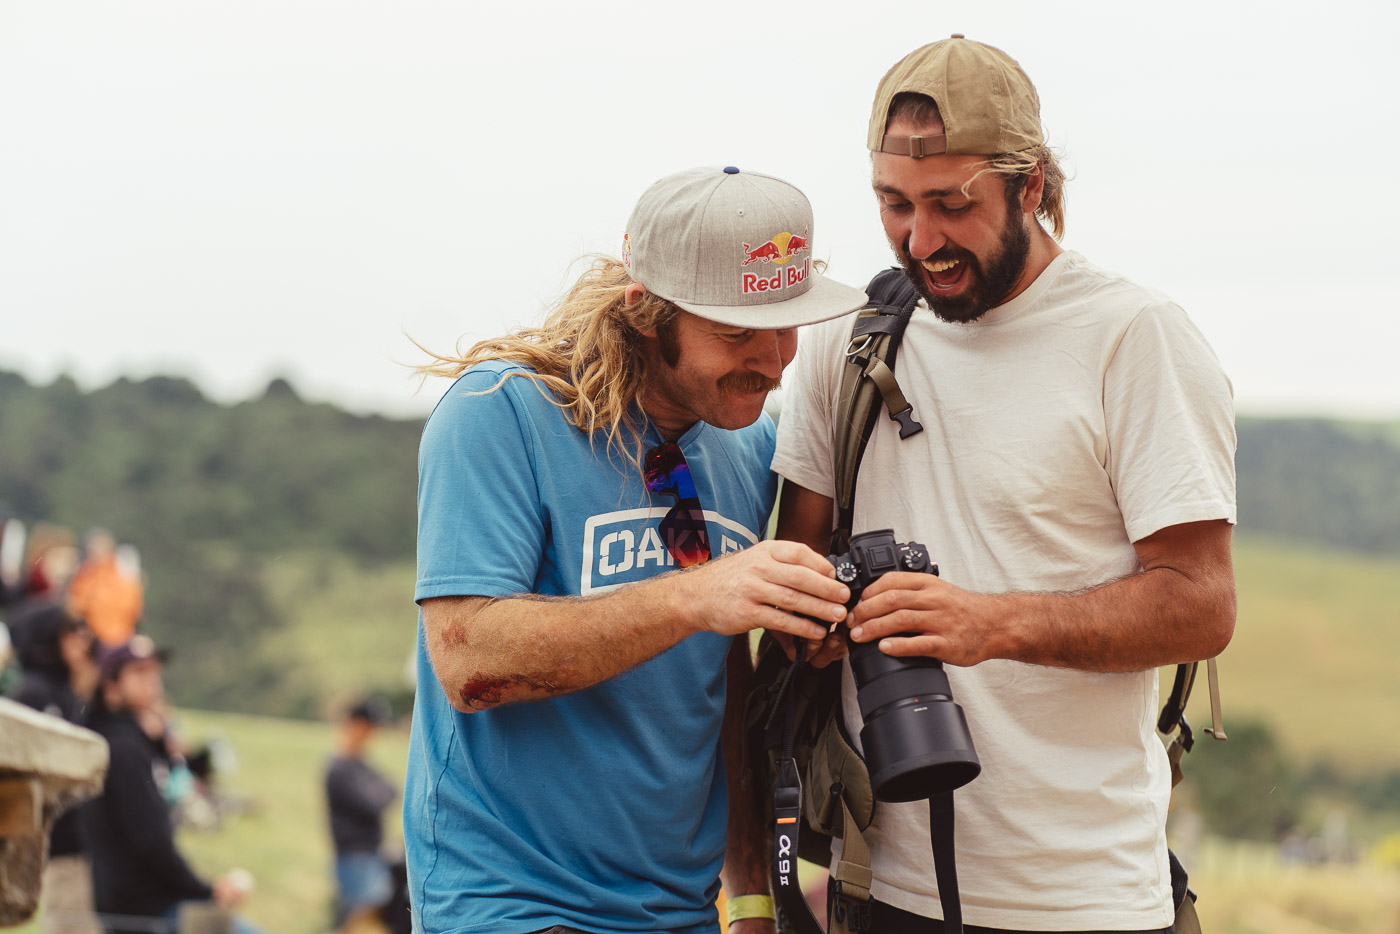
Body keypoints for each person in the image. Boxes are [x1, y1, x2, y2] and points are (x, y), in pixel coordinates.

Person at [773, 36, 1237, 934]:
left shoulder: (1133, 337)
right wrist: (813, 621)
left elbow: (1201, 605)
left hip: (1084, 896)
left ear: (1032, 185)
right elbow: (795, 558)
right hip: (879, 882)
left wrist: (988, 624)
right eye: (894, 205)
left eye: (953, 204)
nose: (922, 238)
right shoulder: (847, 335)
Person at [406, 166, 868, 934]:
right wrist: (695, 594)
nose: (773, 359)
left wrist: (749, 894)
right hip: (512, 904)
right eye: (734, 332)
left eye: (786, 325)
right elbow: (467, 660)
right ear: (647, 315)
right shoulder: (499, 415)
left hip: (680, 909)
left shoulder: (748, 445)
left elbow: (720, 685)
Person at [81, 636, 255, 934]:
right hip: (148, 912)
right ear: (111, 688)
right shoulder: (125, 749)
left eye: (154, 671)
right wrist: (207, 890)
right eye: (138, 673)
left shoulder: (131, 743)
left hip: (140, 907)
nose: (152, 681)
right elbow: (151, 842)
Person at [13, 606, 101, 934]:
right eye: (71, 631)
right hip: (57, 845)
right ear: (49, 638)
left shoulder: (66, 693)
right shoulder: (34, 692)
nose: (84, 640)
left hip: (76, 843)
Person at [326, 696, 398, 927]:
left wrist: (381, 793)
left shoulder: (361, 764)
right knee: (361, 915)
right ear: (354, 724)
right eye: (367, 726)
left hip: (370, 853)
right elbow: (373, 804)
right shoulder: (339, 767)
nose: (371, 733)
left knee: (366, 915)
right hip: (353, 855)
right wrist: (380, 794)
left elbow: (391, 789)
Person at [66, 529, 144, 650]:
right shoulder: (84, 575)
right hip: (95, 640)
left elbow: (134, 609)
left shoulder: (122, 576)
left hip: (115, 639)